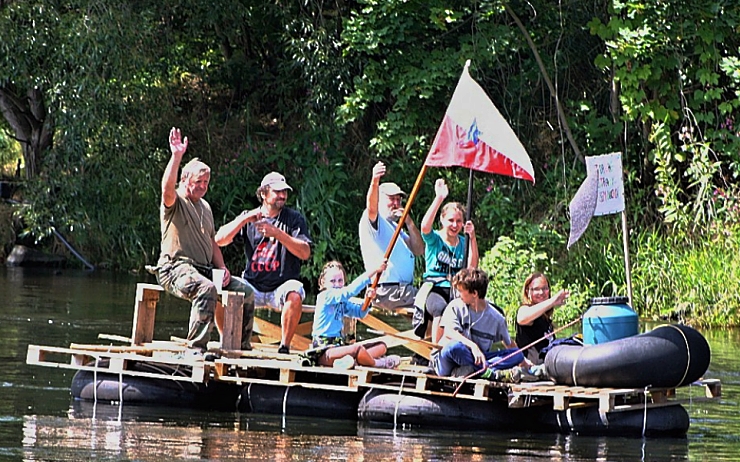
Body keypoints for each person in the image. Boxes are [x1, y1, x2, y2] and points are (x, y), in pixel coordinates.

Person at [155, 127, 256, 351]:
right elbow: (166, 189)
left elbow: (212, 243)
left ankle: (240, 346)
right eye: (198, 181)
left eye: (206, 183)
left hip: (203, 268)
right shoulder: (176, 201)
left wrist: (222, 267)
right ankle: (196, 348)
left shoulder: (206, 208)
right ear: (185, 179)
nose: (203, 186)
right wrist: (176, 156)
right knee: (206, 288)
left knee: (246, 291)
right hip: (174, 268)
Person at [216, 171, 311, 355]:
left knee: (296, 292)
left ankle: (284, 346)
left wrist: (277, 234)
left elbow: (305, 252)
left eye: (285, 191)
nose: (283, 195)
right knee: (217, 291)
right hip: (252, 285)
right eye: (277, 192)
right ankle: (226, 339)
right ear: (263, 194)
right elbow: (219, 240)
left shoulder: (294, 219)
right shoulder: (249, 217)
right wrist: (244, 219)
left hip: (281, 286)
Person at [431, 268, 524, 380]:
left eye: (461, 291)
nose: (458, 294)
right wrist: (473, 346)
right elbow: (449, 332)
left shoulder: (497, 318)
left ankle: (472, 370)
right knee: (454, 347)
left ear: (474, 293)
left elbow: (509, 344)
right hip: (448, 360)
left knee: (517, 354)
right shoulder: (455, 306)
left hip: (477, 360)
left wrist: (525, 363)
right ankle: (488, 372)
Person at [416, 178, 479, 344]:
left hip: (455, 289)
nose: (455, 225)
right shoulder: (435, 239)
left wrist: (472, 237)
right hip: (434, 288)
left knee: (473, 307)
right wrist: (439, 198)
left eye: (458, 221)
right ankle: (437, 351)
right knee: (441, 309)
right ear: (443, 220)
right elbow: (424, 227)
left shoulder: (463, 242)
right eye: (451, 220)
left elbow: (472, 266)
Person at [358, 161, 424, 311]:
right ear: (380, 199)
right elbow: (371, 206)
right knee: (435, 300)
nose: (396, 203)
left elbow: (419, 250)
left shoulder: (396, 227)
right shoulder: (375, 221)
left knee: (437, 298)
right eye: (391, 199)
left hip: (402, 292)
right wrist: (375, 181)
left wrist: (409, 223)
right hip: (388, 292)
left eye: (398, 200)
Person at [309, 260, 400, 369]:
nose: (337, 285)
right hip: (325, 352)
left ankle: (350, 362)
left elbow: (359, 313)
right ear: (323, 282)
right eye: (333, 281)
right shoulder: (325, 296)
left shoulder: (342, 301)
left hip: (339, 348)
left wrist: (368, 298)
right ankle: (380, 364)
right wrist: (374, 270)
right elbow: (350, 291)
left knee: (381, 346)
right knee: (358, 349)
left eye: (340, 281)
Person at [516, 272, 570, 364]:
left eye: (545, 288)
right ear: (527, 291)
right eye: (536, 289)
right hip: (534, 367)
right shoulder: (525, 309)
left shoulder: (545, 317)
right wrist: (552, 301)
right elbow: (521, 318)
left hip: (551, 362)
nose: (541, 292)